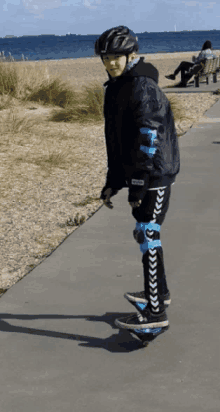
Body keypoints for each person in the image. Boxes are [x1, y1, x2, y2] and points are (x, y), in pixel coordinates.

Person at [94, 26, 180, 331]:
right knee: (146, 233)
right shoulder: (117, 87)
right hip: (139, 173)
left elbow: (149, 136)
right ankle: (160, 295)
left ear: (132, 54)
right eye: (106, 56)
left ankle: (155, 315)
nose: (111, 62)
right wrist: (113, 181)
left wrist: (140, 182)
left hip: (154, 172)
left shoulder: (142, 86)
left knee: (147, 232)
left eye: (117, 56)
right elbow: (116, 140)